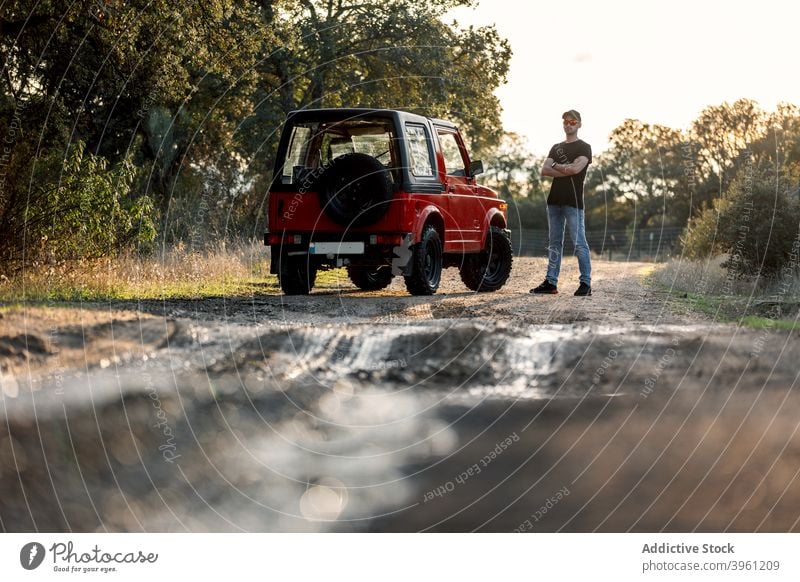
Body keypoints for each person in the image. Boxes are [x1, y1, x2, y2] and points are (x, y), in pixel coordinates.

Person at [531, 109, 593, 296]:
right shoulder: (556, 147)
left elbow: (575, 169)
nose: (568, 124)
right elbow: (544, 170)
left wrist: (556, 166)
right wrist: (564, 168)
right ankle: (551, 283)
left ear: (579, 124)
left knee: (579, 243)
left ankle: (586, 284)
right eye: (565, 121)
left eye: (572, 122)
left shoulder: (584, 147)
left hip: (573, 202)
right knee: (554, 243)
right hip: (554, 201)